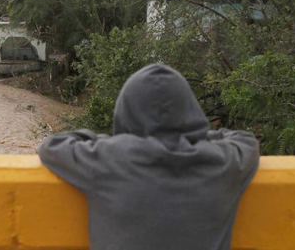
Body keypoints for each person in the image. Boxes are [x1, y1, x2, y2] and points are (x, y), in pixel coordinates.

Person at [38, 64, 259, 250]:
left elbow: (53, 145)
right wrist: (194, 138)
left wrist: (110, 140)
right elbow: (246, 140)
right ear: (190, 111)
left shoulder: (109, 158)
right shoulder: (224, 162)